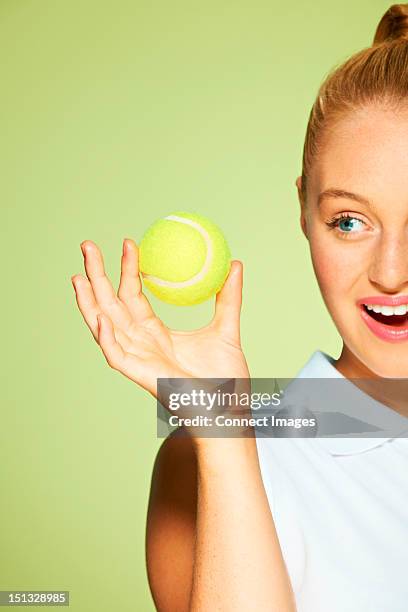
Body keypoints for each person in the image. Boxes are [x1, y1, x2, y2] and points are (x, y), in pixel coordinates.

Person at [71, 4, 408, 610]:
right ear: (304, 211)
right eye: (350, 221)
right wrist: (224, 444)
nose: (391, 273)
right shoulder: (205, 463)